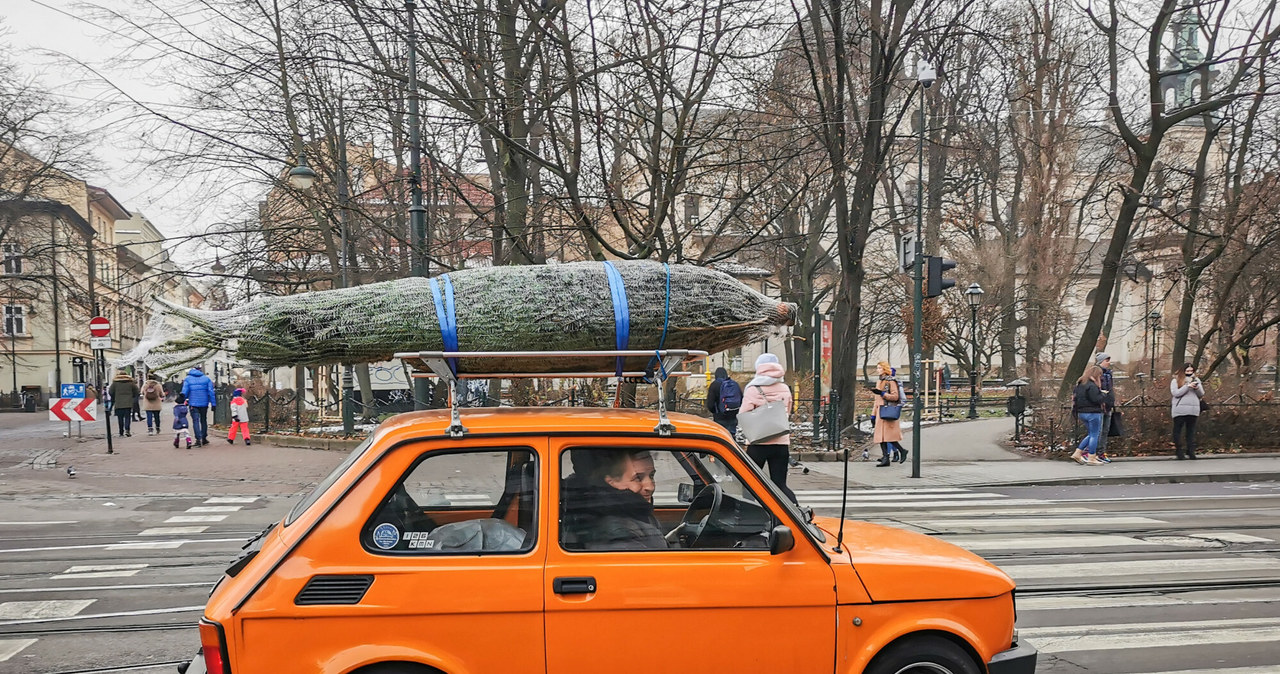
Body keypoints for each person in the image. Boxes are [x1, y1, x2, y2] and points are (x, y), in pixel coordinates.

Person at [562, 449, 667, 550]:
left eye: (651, 475)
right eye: (638, 478)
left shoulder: (633, 513)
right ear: (611, 482)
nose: (650, 487)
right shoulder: (615, 533)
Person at [740, 353, 797, 503]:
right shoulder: (785, 388)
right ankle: (796, 513)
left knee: (751, 483)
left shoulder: (753, 388)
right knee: (779, 484)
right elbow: (788, 412)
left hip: (758, 442)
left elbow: (743, 414)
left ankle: (750, 513)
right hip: (781, 443)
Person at [871, 361, 905, 467]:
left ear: (885, 369)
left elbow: (895, 397)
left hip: (887, 411)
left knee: (888, 437)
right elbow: (876, 401)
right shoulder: (879, 381)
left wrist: (882, 393)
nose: (878, 370)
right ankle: (886, 457)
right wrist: (873, 414)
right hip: (880, 412)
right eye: (877, 368)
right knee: (882, 437)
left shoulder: (890, 381)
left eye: (880, 368)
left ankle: (901, 451)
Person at [1070, 366, 1107, 466]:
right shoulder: (1092, 385)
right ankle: (1091, 457)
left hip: (1082, 412)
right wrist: (1103, 395)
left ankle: (1078, 453)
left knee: (1091, 434)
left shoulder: (1080, 385)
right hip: (1093, 412)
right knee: (1095, 435)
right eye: (1099, 375)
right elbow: (1096, 399)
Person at [1170, 363, 1203, 460]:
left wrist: (1197, 387)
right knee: (1178, 431)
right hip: (1180, 409)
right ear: (1183, 371)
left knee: (1191, 431)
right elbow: (1176, 393)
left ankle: (1191, 450)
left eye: (1191, 371)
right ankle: (1179, 450)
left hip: (1193, 409)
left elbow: (1201, 394)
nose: (1189, 373)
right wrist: (1187, 386)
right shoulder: (1175, 380)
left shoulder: (1196, 380)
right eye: (1187, 371)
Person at [181, 366, 216, 446]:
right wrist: (213, 404)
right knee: (203, 420)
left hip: (193, 403)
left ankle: (198, 440)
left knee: (195, 421)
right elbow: (211, 392)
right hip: (204, 403)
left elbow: (184, 391)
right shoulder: (206, 379)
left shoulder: (188, 379)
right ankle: (204, 438)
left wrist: (183, 400)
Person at [705, 367, 742, 437]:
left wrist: (715, 412)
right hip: (733, 415)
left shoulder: (714, 385)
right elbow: (741, 398)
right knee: (732, 437)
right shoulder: (734, 384)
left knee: (721, 436)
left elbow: (710, 404)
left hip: (720, 416)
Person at [1095, 353, 1116, 463]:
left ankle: (1101, 452)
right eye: (1106, 360)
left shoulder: (1109, 374)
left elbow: (1111, 388)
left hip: (1108, 405)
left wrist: (1112, 401)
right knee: (1098, 430)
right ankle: (1093, 452)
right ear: (1101, 361)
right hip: (1100, 405)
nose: (1108, 362)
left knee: (1105, 431)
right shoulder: (1096, 373)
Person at [108, 371, 139, 438]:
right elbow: (137, 391)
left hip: (118, 403)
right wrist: (132, 397)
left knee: (120, 418)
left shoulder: (115, 383)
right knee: (127, 417)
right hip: (128, 403)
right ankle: (127, 430)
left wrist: (115, 397)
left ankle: (121, 432)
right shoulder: (131, 383)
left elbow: (110, 392)